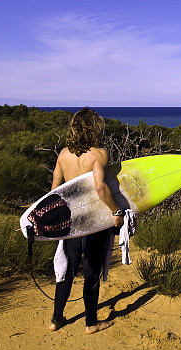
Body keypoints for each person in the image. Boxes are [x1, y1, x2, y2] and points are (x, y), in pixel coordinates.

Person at [48, 107, 124, 334]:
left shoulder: (63, 154)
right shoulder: (98, 154)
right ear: (95, 127)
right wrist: (116, 211)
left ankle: (56, 319)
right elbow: (100, 187)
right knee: (91, 272)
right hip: (92, 221)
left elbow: (54, 191)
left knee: (67, 270)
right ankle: (91, 323)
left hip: (71, 222)